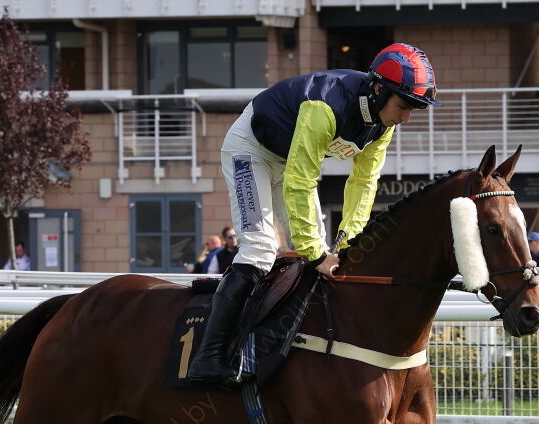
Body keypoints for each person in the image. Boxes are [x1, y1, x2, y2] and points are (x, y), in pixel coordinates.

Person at [187, 43, 440, 383]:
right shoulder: (325, 106)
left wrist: (348, 243)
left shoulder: (383, 123)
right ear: (379, 90)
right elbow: (301, 179)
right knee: (261, 248)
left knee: (320, 252)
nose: (406, 117)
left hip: (288, 162)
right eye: (404, 106)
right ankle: (209, 356)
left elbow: (364, 184)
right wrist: (316, 252)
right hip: (251, 151)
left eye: (414, 109)